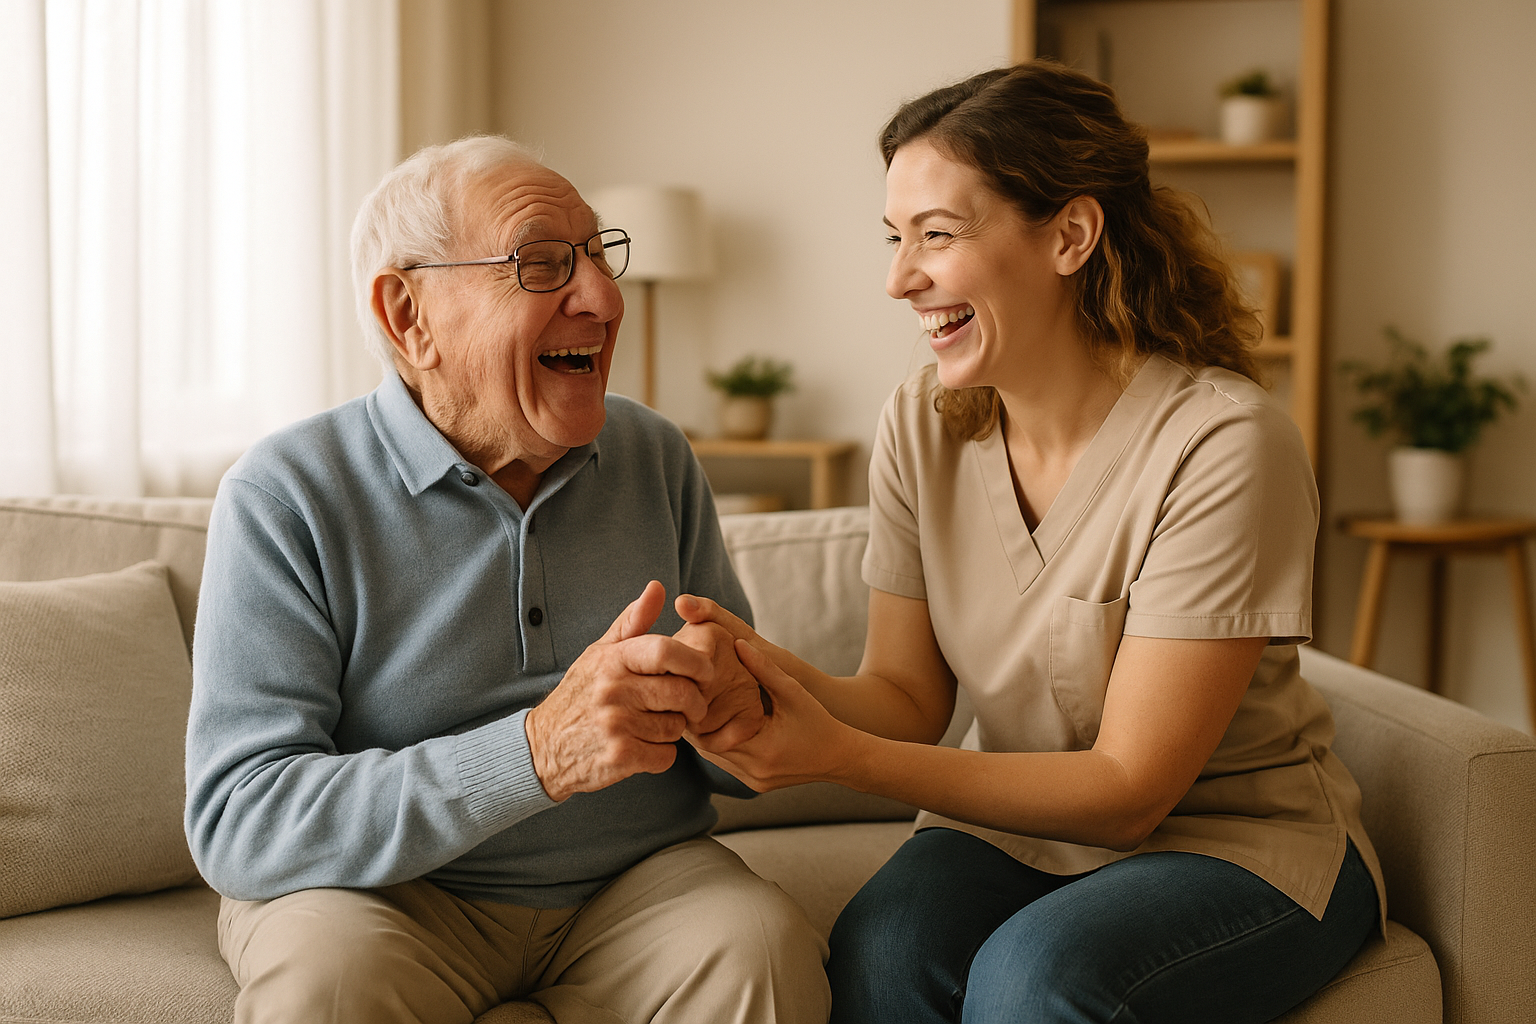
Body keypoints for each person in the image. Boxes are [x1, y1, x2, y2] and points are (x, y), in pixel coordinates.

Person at [680, 63, 1386, 1024]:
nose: (899, 278)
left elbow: (1130, 791)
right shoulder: (920, 425)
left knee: (1037, 977)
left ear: (1070, 235)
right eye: (896, 238)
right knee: (878, 951)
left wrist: (837, 754)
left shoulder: (1224, 445)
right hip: (1021, 829)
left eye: (938, 234)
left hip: (1238, 842)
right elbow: (905, 696)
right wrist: (767, 680)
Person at [184, 135, 829, 1024]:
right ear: (410, 315)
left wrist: (729, 709)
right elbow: (242, 818)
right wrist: (535, 753)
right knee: (328, 985)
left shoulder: (655, 455)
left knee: (761, 947)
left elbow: (743, 766)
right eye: (541, 263)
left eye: (601, 255)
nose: (603, 298)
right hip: (388, 898)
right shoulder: (285, 493)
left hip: (633, 885)